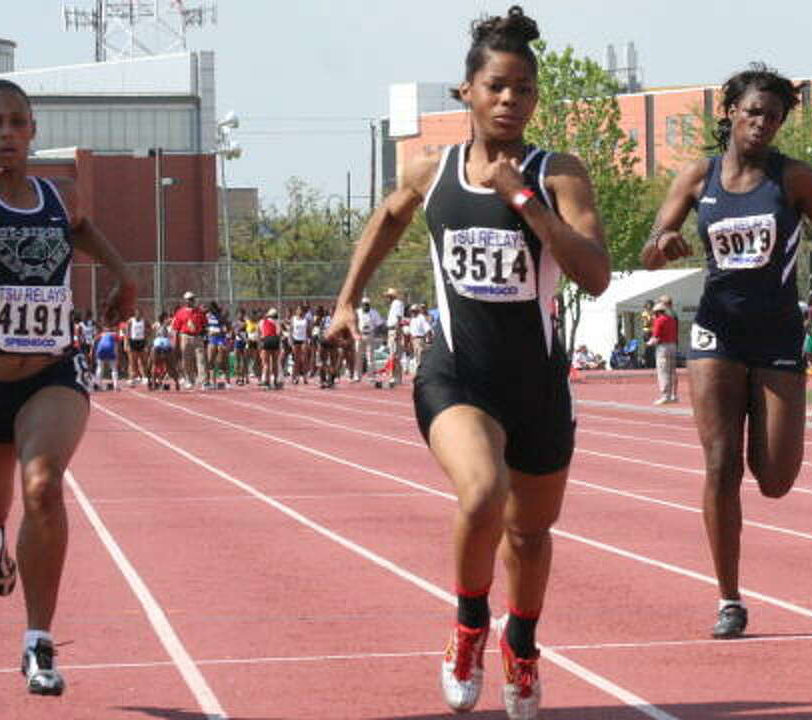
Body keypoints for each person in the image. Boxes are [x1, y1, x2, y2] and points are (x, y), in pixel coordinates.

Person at [325, 7, 608, 717]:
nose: (511, 100)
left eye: (524, 90)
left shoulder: (559, 173)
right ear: (467, 93)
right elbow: (386, 220)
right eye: (497, 87)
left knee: (530, 534)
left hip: (538, 386)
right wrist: (346, 301)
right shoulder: (434, 169)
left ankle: (524, 645)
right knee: (482, 495)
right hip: (457, 375)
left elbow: (596, 274)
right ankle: (468, 627)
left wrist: (529, 205)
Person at [0, 78, 135, 695]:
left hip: (52, 373)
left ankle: (38, 641)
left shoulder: (59, 195)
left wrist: (123, 276)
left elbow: (82, 228)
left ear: (32, 130)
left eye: (17, 122)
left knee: (43, 484)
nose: (6, 133)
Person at [641, 64, 812, 639]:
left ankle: (764, 446)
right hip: (716, 334)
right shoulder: (697, 177)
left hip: (778, 334)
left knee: (776, 477)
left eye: (774, 116)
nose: (762, 124)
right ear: (730, 113)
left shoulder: (794, 179)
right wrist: (665, 241)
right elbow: (650, 250)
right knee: (719, 465)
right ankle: (729, 599)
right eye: (754, 112)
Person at [171, 291, 205, 389]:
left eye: (191, 299)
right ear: (185, 300)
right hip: (185, 337)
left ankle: (203, 381)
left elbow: (204, 324)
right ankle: (189, 380)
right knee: (186, 360)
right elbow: (176, 328)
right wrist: (175, 341)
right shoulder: (180, 312)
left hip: (197, 337)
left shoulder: (199, 312)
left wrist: (200, 331)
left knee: (201, 359)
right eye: (188, 299)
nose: (190, 301)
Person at [646, 301, 678, 404]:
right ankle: (674, 395)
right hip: (673, 346)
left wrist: (648, 343)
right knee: (672, 372)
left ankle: (665, 396)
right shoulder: (672, 320)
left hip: (663, 347)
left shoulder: (659, 320)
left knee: (663, 372)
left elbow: (656, 337)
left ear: (657, 312)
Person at [355, 297, 383, 381]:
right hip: (360, 335)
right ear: (362, 305)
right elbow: (354, 322)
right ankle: (357, 375)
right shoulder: (358, 312)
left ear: (369, 305)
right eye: (364, 305)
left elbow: (379, 324)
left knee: (370, 356)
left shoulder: (374, 312)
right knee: (358, 355)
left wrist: (375, 332)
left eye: (367, 305)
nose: (365, 306)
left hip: (370, 335)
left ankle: (370, 375)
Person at [384, 287, 406, 388]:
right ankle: (397, 377)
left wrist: (397, 331)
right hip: (391, 330)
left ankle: (394, 377)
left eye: (387, 297)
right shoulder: (394, 304)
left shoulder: (397, 303)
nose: (386, 299)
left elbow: (398, 318)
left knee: (394, 354)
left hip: (394, 330)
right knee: (394, 354)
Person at [92, 323, 120, 391]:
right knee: (114, 368)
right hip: (110, 351)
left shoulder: (101, 334)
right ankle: (116, 386)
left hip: (101, 351)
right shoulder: (115, 334)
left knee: (100, 368)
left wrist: (93, 352)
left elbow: (94, 341)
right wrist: (117, 355)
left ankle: (98, 385)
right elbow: (116, 345)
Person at [258, 307, 281, 389]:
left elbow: (260, 334)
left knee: (266, 363)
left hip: (266, 340)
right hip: (275, 340)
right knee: (275, 363)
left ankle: (266, 382)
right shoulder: (277, 322)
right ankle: (275, 381)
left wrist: (260, 345)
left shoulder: (261, 322)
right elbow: (278, 333)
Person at [126, 306, 148, 385]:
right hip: (133, 341)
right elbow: (127, 333)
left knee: (143, 360)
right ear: (135, 314)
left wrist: (146, 337)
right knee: (132, 361)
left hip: (141, 341)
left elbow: (149, 329)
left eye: (140, 313)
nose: (138, 314)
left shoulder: (144, 321)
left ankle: (144, 377)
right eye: (137, 313)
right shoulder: (130, 321)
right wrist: (127, 344)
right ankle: (132, 378)